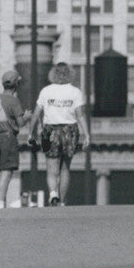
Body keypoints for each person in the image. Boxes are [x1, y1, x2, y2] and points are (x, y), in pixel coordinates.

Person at [28, 63, 90, 206]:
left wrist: (30, 133)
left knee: (51, 167)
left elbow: (36, 113)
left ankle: (53, 193)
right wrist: (87, 134)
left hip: (50, 131)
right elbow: (80, 115)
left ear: (53, 74)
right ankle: (62, 201)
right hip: (70, 130)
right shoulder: (75, 92)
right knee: (65, 168)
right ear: (70, 74)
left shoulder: (46, 91)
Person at [0, 69, 30, 209]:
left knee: (1, 171)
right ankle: (0, 203)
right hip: (8, 137)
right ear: (16, 85)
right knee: (7, 172)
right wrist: (26, 116)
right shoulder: (13, 100)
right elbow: (20, 123)